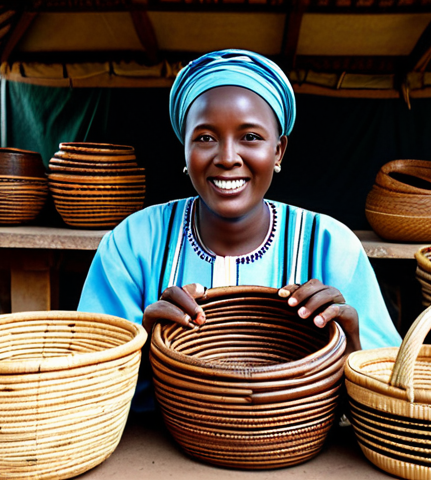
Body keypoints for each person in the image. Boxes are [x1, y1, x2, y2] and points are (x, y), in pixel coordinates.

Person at [78, 49, 401, 410]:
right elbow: (83, 389)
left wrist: (351, 344)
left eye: (249, 137)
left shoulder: (331, 246)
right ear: (183, 149)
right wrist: (140, 346)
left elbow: (392, 395)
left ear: (278, 151)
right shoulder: (132, 243)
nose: (228, 157)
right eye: (204, 138)